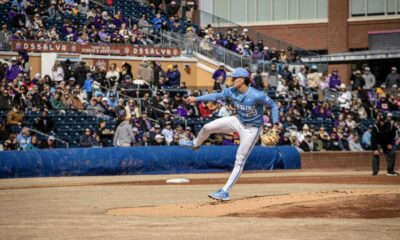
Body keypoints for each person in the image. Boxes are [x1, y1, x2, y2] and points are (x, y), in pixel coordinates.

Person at [179, 67, 279, 201]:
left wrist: (276, 124)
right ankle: (195, 144)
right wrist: (196, 99)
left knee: (239, 159)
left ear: (242, 80)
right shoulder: (232, 91)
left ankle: (225, 191)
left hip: (252, 129)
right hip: (238, 120)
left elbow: (274, 106)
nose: (231, 80)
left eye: (234, 78)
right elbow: (216, 96)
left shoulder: (256, 95)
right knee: (208, 127)